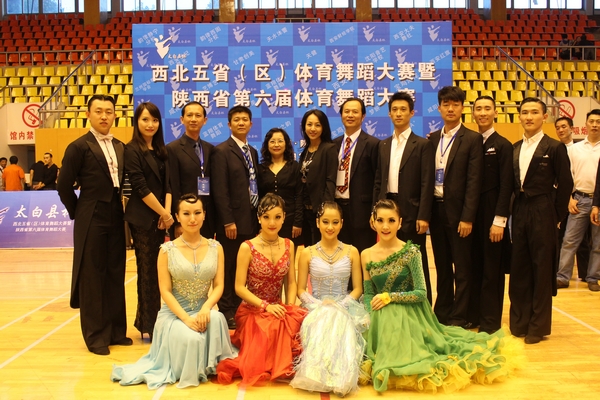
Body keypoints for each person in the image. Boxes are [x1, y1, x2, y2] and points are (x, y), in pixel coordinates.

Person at [360, 199, 523, 393]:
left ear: (400, 223)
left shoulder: (410, 251)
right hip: (380, 313)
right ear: (373, 222)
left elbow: (421, 293)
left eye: (391, 220)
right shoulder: (366, 254)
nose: (385, 226)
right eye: (380, 220)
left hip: (411, 314)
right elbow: (369, 293)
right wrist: (370, 316)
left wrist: (390, 297)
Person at [111, 194, 238, 389]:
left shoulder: (216, 247)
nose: (192, 218)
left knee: (218, 319)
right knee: (193, 339)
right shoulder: (166, 250)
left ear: (204, 215)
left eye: (197, 213)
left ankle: (210, 365)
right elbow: (165, 291)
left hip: (202, 310)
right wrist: (186, 319)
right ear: (177, 217)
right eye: (186, 213)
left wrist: (206, 307)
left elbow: (219, 285)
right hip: (175, 315)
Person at [57, 94, 130, 355]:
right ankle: (96, 337)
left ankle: (116, 332)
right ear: (88, 114)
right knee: (92, 277)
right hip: (91, 214)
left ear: (115, 115)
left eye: (108, 111)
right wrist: (79, 211)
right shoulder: (78, 147)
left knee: (115, 272)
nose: (104, 116)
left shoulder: (120, 146)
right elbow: (63, 186)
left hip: (116, 214)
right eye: (98, 111)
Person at [216, 193, 307, 386]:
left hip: (278, 307)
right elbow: (239, 288)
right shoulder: (247, 247)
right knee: (270, 330)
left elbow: (291, 282)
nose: (272, 223)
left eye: (277, 217)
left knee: (298, 324)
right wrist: (266, 306)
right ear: (259, 218)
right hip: (253, 310)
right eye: (266, 217)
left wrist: (289, 307)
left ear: (284, 217)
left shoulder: (289, 245)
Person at [509, 98, 573, 345]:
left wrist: (556, 215)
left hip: (543, 209)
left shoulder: (554, 147)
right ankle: (519, 322)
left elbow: (565, 184)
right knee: (520, 268)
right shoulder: (515, 147)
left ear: (544, 117)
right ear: (519, 116)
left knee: (542, 269)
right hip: (520, 210)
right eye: (524, 112)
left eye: (534, 112)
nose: (529, 117)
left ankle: (537, 326)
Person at [290, 201, 367, 397]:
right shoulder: (307, 253)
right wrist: (319, 305)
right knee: (323, 317)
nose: (330, 227)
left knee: (339, 318)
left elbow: (358, 288)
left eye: (335, 222)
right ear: (317, 223)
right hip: (315, 305)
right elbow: (300, 290)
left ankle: (341, 377)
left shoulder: (352, 251)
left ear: (342, 223)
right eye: (325, 222)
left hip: (345, 305)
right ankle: (315, 374)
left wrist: (340, 305)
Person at [428, 86, 483, 328]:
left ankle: (460, 316)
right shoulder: (432, 139)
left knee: (462, 268)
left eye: (455, 104)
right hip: (436, 210)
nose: (450, 109)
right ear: (439, 108)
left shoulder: (472, 139)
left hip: (460, 214)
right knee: (442, 266)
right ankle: (442, 312)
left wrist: (468, 217)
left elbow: (474, 181)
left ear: (462, 108)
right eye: (446, 104)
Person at [373, 91, 435, 304]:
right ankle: (391, 302)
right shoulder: (383, 145)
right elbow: (378, 181)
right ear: (389, 114)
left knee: (416, 262)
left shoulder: (422, 145)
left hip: (412, 211)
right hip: (387, 209)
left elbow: (427, 183)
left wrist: (423, 215)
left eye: (403, 110)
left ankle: (422, 306)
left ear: (412, 113)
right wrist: (375, 211)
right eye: (394, 110)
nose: (398, 113)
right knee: (390, 260)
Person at [124, 102, 173, 338]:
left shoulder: (162, 150)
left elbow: (168, 185)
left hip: (162, 218)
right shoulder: (131, 149)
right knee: (146, 271)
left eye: (154, 120)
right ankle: (149, 325)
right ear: (137, 122)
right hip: (143, 219)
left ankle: (156, 321)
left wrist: (167, 214)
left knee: (160, 271)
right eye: (145, 119)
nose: (150, 124)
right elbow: (140, 187)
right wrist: (163, 213)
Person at [466, 96, 513, 334]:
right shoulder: (471, 142)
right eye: (478, 109)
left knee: (492, 269)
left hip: (492, 212)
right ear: (473, 113)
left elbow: (507, 186)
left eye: (487, 108)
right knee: (473, 266)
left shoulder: (502, 145)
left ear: (495, 113)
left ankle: (491, 320)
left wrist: (499, 221)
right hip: (471, 213)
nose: (482, 113)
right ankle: (473, 315)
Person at [212, 105, 260, 330]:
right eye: (237, 119)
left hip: (250, 220)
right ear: (229, 124)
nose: (241, 123)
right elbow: (220, 190)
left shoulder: (252, 152)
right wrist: (228, 221)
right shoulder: (221, 151)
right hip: (231, 223)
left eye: (245, 119)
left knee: (244, 268)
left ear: (251, 124)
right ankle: (227, 310)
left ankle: (240, 307)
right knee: (229, 266)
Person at [556, 109, 600, 292]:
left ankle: (593, 277)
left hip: (599, 202)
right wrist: (569, 198)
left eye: (598, 122)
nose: (595, 125)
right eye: (592, 121)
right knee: (569, 240)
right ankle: (562, 277)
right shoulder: (574, 149)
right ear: (586, 124)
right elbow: (566, 177)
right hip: (579, 199)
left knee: (598, 244)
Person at [334, 98, 379, 253]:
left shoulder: (373, 144)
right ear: (341, 115)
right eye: (346, 111)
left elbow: (377, 181)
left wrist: (374, 211)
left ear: (363, 116)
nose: (350, 115)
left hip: (362, 212)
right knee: (341, 257)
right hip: (337, 210)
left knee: (363, 255)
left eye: (355, 111)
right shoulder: (333, 144)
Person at [167, 101, 215, 239]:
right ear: (182, 119)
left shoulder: (210, 149)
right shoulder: (172, 149)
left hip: (207, 217)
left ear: (205, 120)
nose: (193, 119)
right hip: (185, 216)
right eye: (189, 115)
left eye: (198, 115)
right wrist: (178, 222)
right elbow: (173, 186)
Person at [555, 116, 590, 282]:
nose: (561, 130)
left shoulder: (580, 148)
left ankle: (585, 273)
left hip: (580, 198)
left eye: (564, 126)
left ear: (572, 128)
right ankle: (559, 274)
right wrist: (567, 197)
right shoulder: (555, 148)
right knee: (562, 238)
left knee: (583, 240)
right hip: (563, 199)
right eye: (558, 128)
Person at [257, 128, 303, 246]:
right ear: (267, 145)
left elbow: (299, 195)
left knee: (288, 253)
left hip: (290, 220)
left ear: (286, 144)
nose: (276, 145)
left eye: (280, 141)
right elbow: (258, 197)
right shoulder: (261, 168)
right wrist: (260, 223)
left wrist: (297, 222)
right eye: (272, 141)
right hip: (267, 221)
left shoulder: (294, 166)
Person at [298, 110, 338, 246]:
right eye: (309, 124)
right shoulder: (305, 150)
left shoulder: (329, 149)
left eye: (317, 125)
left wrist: (325, 210)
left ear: (324, 127)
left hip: (319, 210)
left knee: (321, 248)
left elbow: (330, 181)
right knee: (308, 249)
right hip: (305, 211)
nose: (313, 129)